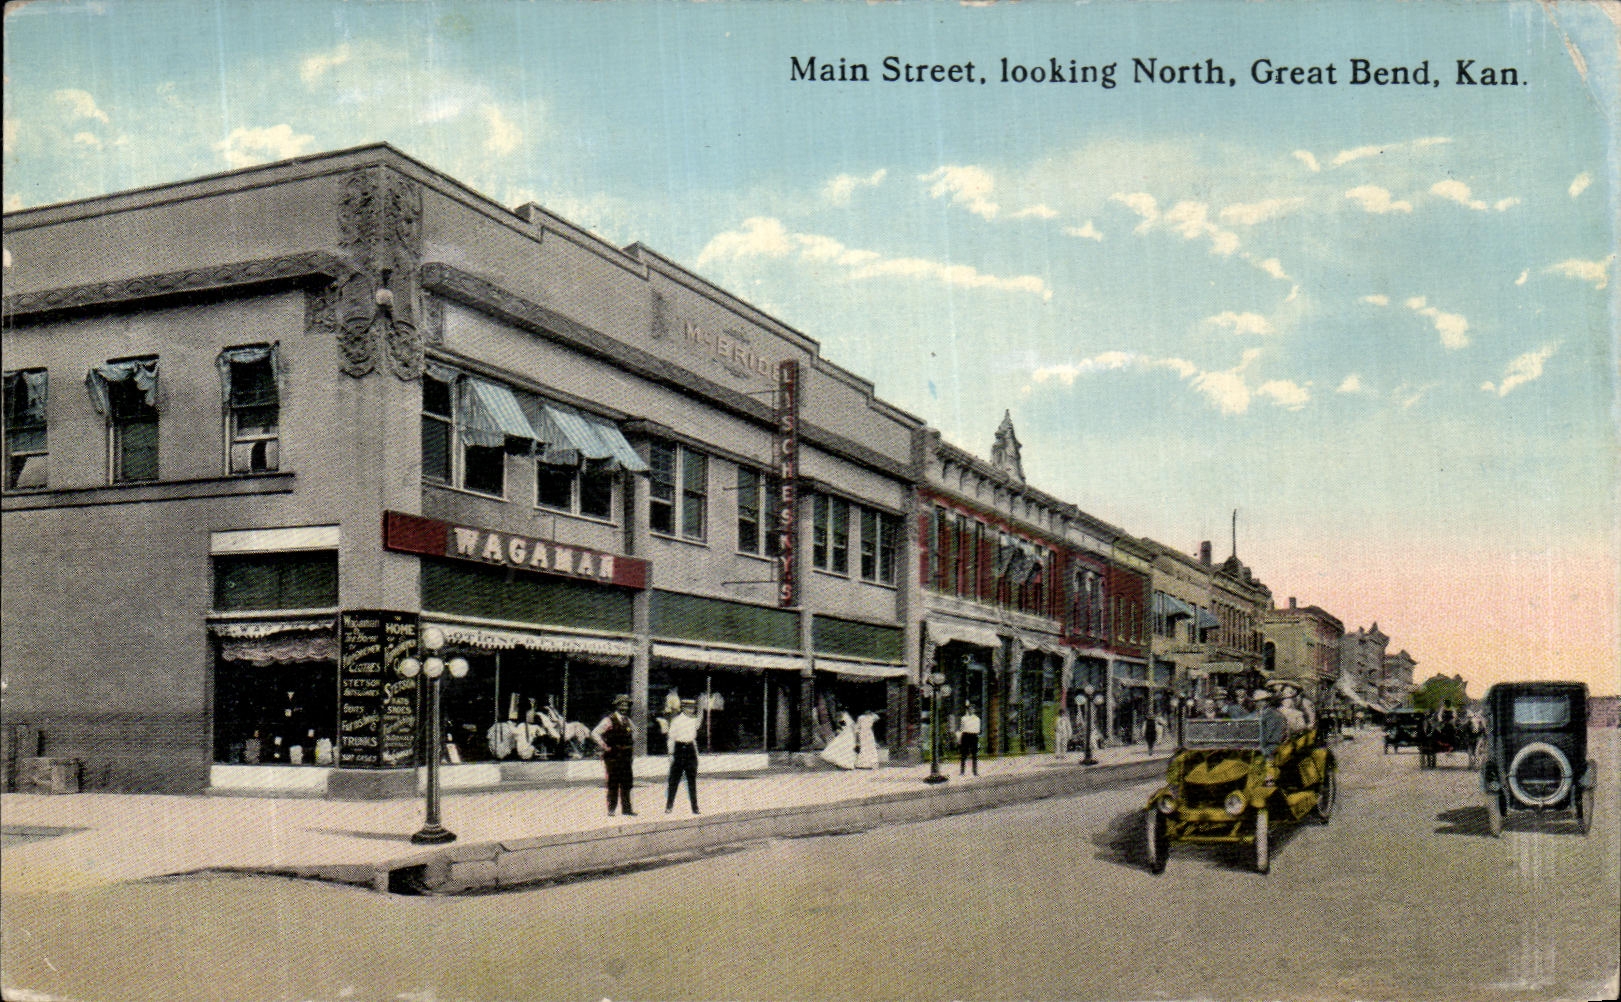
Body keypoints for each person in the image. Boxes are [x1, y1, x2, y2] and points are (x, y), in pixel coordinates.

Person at [592, 695, 637, 816]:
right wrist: (604, 746)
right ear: (617, 706)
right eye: (622, 704)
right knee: (613, 783)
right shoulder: (609, 720)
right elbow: (595, 733)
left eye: (626, 705)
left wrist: (630, 743)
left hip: (625, 756)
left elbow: (635, 732)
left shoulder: (627, 720)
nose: (624, 707)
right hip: (613, 756)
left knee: (627, 783)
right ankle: (611, 809)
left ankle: (627, 809)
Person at [665, 698, 701, 814]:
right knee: (674, 780)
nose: (691, 710)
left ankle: (695, 807)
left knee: (692, 780)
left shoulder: (694, 720)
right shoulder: (676, 721)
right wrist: (671, 754)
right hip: (679, 749)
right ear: (683, 708)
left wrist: (696, 755)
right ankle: (669, 806)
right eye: (689, 708)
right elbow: (671, 738)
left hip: (690, 749)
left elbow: (694, 738)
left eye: (693, 708)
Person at [1256, 689, 1287, 756]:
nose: (1259, 703)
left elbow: (1269, 733)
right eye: (1257, 701)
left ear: (1268, 702)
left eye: (1262, 701)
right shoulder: (1261, 713)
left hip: (1272, 746)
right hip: (1269, 744)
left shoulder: (1270, 714)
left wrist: (1262, 747)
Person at [957, 703, 981, 776]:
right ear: (967, 710)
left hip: (974, 736)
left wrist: (978, 740)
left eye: (972, 709)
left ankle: (975, 771)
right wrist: (960, 739)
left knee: (974, 754)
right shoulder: (963, 718)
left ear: (974, 710)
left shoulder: (977, 719)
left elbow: (978, 729)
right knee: (964, 754)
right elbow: (961, 728)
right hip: (965, 735)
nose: (971, 710)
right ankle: (962, 771)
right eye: (969, 709)